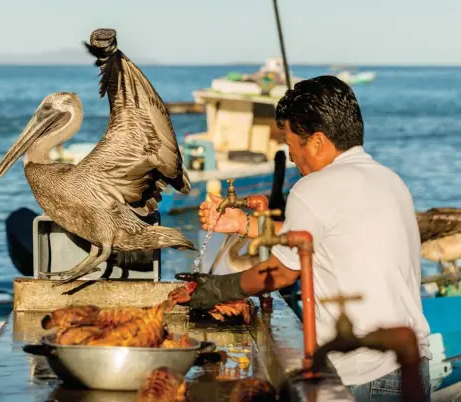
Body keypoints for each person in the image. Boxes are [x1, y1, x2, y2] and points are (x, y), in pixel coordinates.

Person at [176, 76, 431, 401]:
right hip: (413, 365)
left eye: (290, 141)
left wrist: (216, 288)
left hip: (365, 372)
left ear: (318, 142)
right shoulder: (389, 180)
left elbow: (282, 272)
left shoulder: (314, 188)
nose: (291, 155)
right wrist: (244, 223)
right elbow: (325, 240)